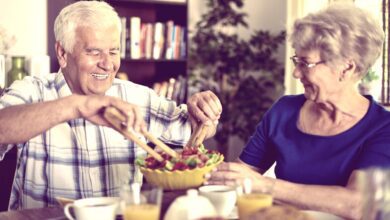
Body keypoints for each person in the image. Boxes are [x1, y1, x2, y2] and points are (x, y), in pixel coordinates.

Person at [0, 1, 222, 210]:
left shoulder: (136, 96)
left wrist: (202, 111)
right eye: (93, 52)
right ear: (62, 53)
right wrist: (76, 105)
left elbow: (197, 128)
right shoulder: (32, 90)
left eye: (113, 51)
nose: (107, 64)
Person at [205, 3, 390, 219]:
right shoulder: (284, 111)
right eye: (296, 61)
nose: (295, 73)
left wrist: (265, 186)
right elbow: (240, 178)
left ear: (346, 68)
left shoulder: (382, 127)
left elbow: (358, 205)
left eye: (305, 63)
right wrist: (197, 147)